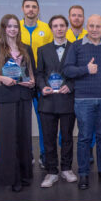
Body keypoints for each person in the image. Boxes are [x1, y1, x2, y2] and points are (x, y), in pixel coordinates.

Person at [0, 14, 37, 192]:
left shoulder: (26, 48)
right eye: (10, 26)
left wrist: (32, 82)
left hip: (24, 96)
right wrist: (2, 78)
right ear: (4, 28)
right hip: (6, 97)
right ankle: (11, 178)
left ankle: (25, 175)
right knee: (8, 137)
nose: (13, 29)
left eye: (15, 26)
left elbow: (31, 71)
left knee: (24, 136)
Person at [62, 14, 101, 188]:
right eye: (91, 26)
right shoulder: (76, 46)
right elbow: (67, 70)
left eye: (98, 26)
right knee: (84, 137)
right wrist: (86, 69)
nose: (94, 29)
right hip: (83, 99)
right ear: (86, 27)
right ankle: (83, 173)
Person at [36, 15, 77, 188]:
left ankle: (66, 169)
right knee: (48, 138)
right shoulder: (42, 50)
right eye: (55, 26)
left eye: (62, 25)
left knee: (67, 137)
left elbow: (78, 73)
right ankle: (51, 171)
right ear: (51, 28)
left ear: (67, 27)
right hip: (48, 100)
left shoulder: (75, 48)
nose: (59, 28)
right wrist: (42, 86)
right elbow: (39, 73)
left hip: (67, 99)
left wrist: (71, 85)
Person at [20, 0, 52, 169]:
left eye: (34, 6)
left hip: (41, 80)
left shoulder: (46, 29)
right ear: (23, 9)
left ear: (38, 10)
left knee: (44, 122)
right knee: (23, 122)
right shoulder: (16, 27)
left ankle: (44, 155)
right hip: (22, 81)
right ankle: (26, 155)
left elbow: (50, 55)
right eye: (27, 6)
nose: (31, 9)